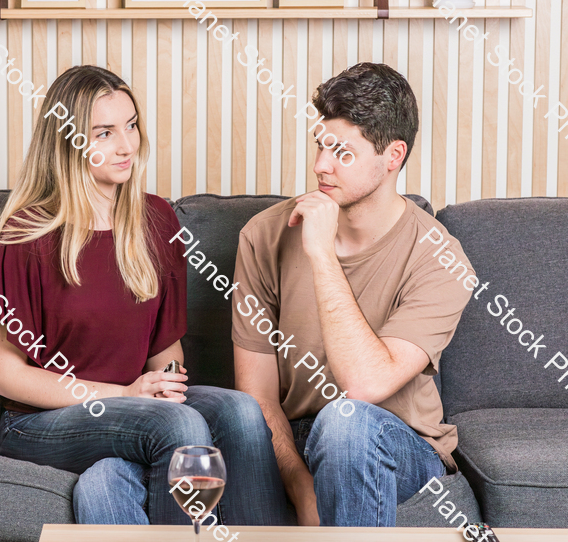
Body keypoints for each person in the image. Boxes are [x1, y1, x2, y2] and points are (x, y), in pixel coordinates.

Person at [80, 62, 475, 527]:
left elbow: (363, 388)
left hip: (396, 442)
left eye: (342, 153)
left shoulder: (440, 258)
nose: (320, 166)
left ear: (393, 155)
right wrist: (296, 482)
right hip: (289, 436)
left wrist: (321, 255)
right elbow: (259, 397)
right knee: (108, 479)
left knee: (346, 423)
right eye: (321, 145)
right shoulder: (264, 236)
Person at [0, 65, 287, 526]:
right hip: (41, 420)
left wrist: (165, 386)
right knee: (177, 427)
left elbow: (164, 349)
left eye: (131, 125)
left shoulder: (156, 219)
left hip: (133, 406)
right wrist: (125, 395)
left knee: (240, 412)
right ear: (68, 141)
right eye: (103, 133)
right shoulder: (27, 234)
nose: (126, 145)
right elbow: (5, 375)